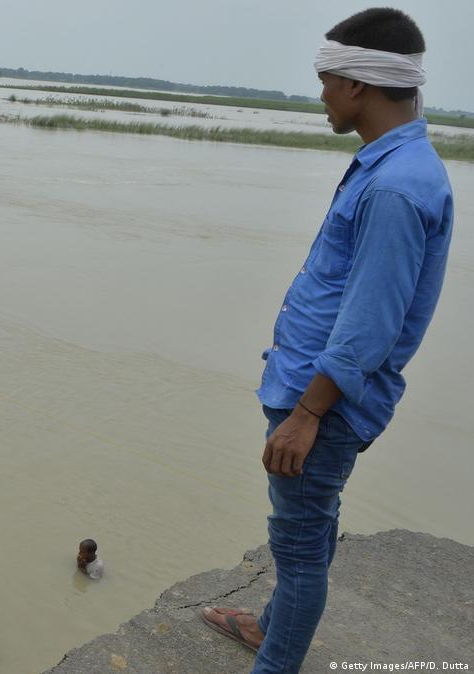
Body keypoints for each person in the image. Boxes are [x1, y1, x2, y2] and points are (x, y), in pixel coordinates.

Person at [200, 9, 453, 674]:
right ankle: (268, 627)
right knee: (308, 526)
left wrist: (306, 414)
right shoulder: (395, 165)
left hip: (325, 403)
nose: (319, 96)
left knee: (300, 549)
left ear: (358, 87)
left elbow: (368, 323)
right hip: (318, 393)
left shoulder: (396, 185)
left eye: (325, 81)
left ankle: (274, 660)